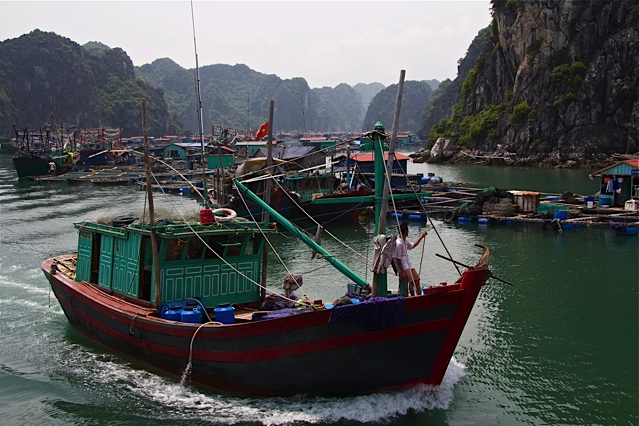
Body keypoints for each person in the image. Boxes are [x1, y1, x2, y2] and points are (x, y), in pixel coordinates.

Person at [395, 222, 427, 296]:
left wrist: (421, 237)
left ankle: (419, 295)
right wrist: (402, 271)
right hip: (403, 263)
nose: (408, 232)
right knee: (412, 281)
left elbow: (413, 246)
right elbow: (398, 258)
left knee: (417, 279)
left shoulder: (405, 241)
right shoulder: (399, 243)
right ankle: (412, 296)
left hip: (408, 261)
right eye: (408, 230)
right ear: (406, 232)